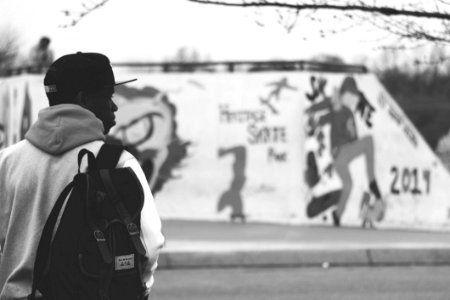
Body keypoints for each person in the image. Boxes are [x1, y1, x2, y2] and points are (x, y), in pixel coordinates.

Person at [0, 52, 165, 299]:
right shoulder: (119, 163)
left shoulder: (7, 160)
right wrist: (141, 288)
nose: (114, 105)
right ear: (84, 99)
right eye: (108, 96)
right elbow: (149, 245)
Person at [306, 76, 385, 227]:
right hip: (341, 152)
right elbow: (325, 108)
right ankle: (372, 181)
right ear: (343, 96)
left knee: (348, 185)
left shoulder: (349, 113)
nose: (351, 100)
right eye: (348, 96)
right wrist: (312, 113)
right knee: (368, 141)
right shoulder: (338, 109)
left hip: (340, 158)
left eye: (353, 97)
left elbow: (352, 136)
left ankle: (337, 215)